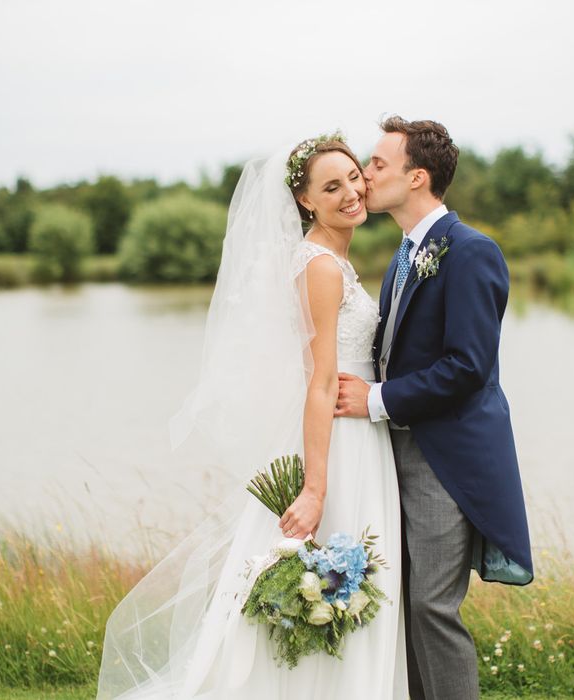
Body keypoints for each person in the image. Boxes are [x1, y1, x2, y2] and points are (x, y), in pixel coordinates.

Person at [96, 135, 407, 699]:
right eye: (330, 187)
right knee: (336, 573)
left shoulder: (330, 255)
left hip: (358, 431)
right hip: (339, 443)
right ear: (306, 201)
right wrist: (315, 488)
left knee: (347, 582)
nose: (351, 193)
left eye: (353, 178)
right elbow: (318, 381)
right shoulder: (321, 266)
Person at [336, 116, 534, 700]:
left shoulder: (472, 252)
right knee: (400, 598)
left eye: (376, 165)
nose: (364, 176)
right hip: (392, 449)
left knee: (432, 605)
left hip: (444, 458)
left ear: (416, 177)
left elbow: (468, 366)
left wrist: (375, 398)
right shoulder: (404, 254)